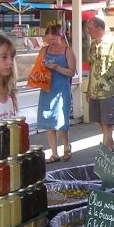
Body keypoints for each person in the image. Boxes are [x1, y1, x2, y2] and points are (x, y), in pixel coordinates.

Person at [37, 24, 77, 162]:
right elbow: (37, 68)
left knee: (61, 120)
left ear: (60, 36)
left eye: (53, 39)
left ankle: (66, 146)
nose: (51, 42)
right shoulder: (44, 50)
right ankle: (54, 153)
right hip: (47, 89)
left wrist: (56, 67)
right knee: (49, 120)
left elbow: (71, 72)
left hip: (62, 89)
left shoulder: (68, 51)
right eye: (48, 39)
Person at [86, 17, 114, 149]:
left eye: (90, 29)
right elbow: (92, 67)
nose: (88, 31)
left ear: (99, 29)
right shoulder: (93, 45)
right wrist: (88, 89)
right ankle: (111, 144)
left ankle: (105, 149)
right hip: (94, 90)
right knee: (99, 120)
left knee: (107, 121)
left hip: (109, 89)